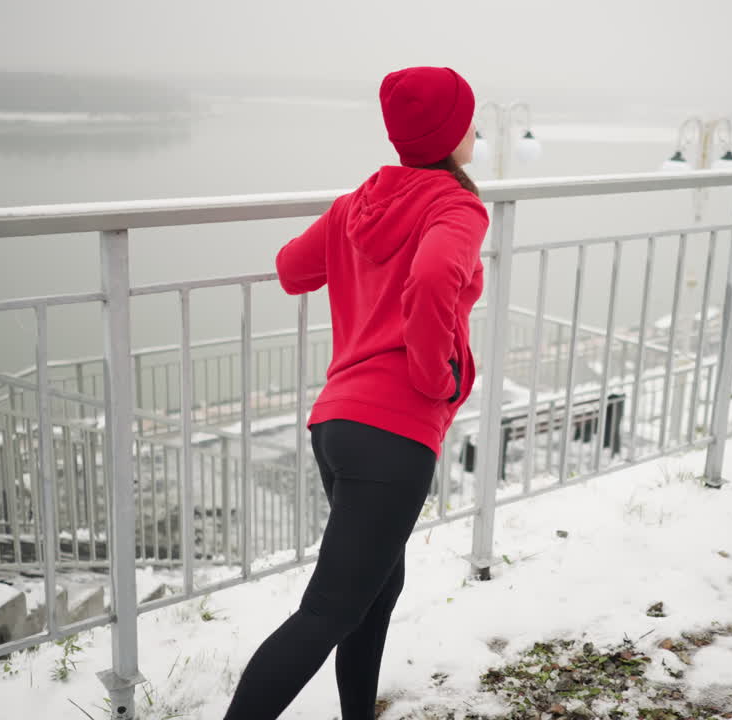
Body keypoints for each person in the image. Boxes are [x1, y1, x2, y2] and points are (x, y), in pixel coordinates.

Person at [222, 66, 488, 719]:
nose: (477, 130)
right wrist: (434, 377)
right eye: (469, 120)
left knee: (376, 589)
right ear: (451, 134)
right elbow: (430, 281)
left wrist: (346, 246)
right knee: (328, 611)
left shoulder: (360, 202)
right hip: (394, 432)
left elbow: (291, 268)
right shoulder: (455, 206)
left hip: (337, 425)